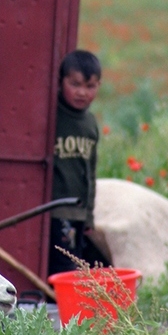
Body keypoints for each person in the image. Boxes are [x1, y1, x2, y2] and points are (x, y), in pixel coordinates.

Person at [49, 49, 112, 274]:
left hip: (77, 213)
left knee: (74, 264)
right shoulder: (52, 115)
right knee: (61, 266)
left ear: (98, 86)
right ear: (60, 82)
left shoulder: (89, 124)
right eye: (74, 84)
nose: (82, 93)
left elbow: (90, 173)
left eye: (90, 86)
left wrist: (89, 216)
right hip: (54, 209)